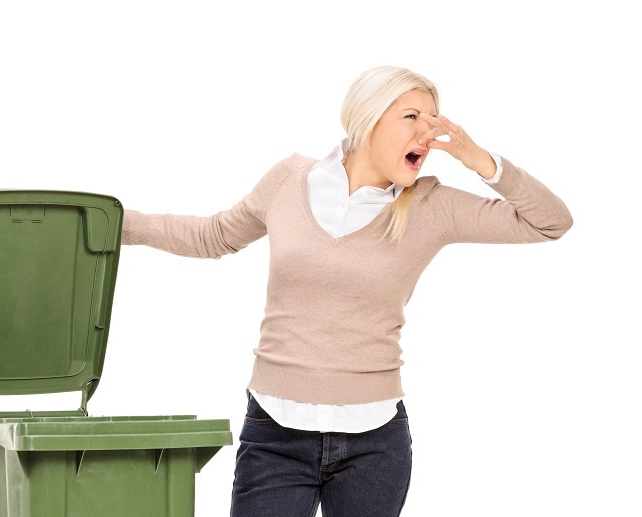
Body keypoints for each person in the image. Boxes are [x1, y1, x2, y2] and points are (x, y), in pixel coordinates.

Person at [120, 65, 573, 517]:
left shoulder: (433, 206)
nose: (428, 134)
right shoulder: (290, 179)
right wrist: (116, 222)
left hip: (375, 444)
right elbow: (214, 235)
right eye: (412, 116)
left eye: (434, 121)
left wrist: (481, 161)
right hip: (275, 432)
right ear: (367, 118)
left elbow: (551, 222)